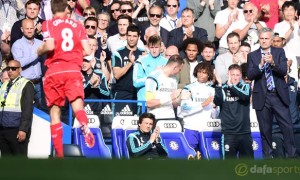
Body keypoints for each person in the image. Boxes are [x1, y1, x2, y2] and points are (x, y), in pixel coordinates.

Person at [37, 0, 94, 158]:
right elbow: (88, 50)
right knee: (77, 106)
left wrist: (39, 51)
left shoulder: (48, 24)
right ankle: (83, 123)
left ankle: (59, 154)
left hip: (55, 70)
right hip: (73, 70)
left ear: (52, 10)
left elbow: (49, 46)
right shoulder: (79, 25)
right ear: (67, 9)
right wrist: (74, 55)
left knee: (55, 112)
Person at [247, 27, 297, 158]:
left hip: (278, 96)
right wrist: (260, 65)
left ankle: (291, 158)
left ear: (271, 39)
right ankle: (268, 160)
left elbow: (283, 71)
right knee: (265, 131)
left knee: (287, 128)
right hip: (262, 98)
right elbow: (250, 75)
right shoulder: (252, 55)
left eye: (266, 38)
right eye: (262, 38)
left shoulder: (279, 52)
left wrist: (273, 63)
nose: (264, 41)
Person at [214, 64, 253, 159]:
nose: (235, 78)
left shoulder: (245, 87)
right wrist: (219, 84)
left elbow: (245, 96)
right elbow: (218, 101)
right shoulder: (222, 88)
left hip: (245, 132)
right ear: (228, 75)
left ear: (241, 76)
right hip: (229, 133)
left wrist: (232, 87)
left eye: (237, 75)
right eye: (233, 75)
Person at [181, 63, 217, 159]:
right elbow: (184, 109)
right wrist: (202, 104)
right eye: (199, 72)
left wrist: (214, 108)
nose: (201, 74)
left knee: (205, 157)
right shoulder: (188, 88)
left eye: (204, 72)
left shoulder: (213, 91)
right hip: (191, 127)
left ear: (209, 74)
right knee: (190, 157)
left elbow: (215, 113)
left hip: (206, 129)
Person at [0, 60, 34, 157]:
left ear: (20, 70)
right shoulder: (4, 85)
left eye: (14, 69)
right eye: (8, 68)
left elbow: (27, 109)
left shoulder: (26, 84)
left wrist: (23, 129)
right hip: (3, 129)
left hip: (16, 130)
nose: (10, 71)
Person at [111, 24, 144, 116]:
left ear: (139, 37)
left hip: (139, 94)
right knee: (120, 125)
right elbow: (116, 75)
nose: (131, 39)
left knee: (138, 124)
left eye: (134, 36)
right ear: (126, 36)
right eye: (129, 36)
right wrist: (130, 63)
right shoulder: (118, 53)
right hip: (122, 93)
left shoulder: (144, 54)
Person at [11, 19, 44, 108]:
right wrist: (37, 54)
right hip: (25, 84)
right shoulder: (17, 45)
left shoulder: (41, 43)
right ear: (22, 29)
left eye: (31, 28)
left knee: (43, 113)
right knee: (26, 111)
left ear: (34, 28)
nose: (29, 30)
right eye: (27, 28)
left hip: (39, 83)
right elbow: (19, 63)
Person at [133, 35, 168, 114]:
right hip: (144, 103)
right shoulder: (140, 61)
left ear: (160, 47)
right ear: (148, 47)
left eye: (156, 47)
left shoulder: (166, 62)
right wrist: (153, 75)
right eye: (152, 47)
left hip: (160, 102)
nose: (154, 50)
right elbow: (136, 83)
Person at [145, 55, 184, 119]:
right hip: (156, 118)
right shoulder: (153, 77)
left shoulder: (174, 79)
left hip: (171, 118)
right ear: (175, 67)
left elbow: (174, 103)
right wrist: (170, 97)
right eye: (179, 70)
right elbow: (149, 103)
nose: (179, 72)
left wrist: (180, 98)